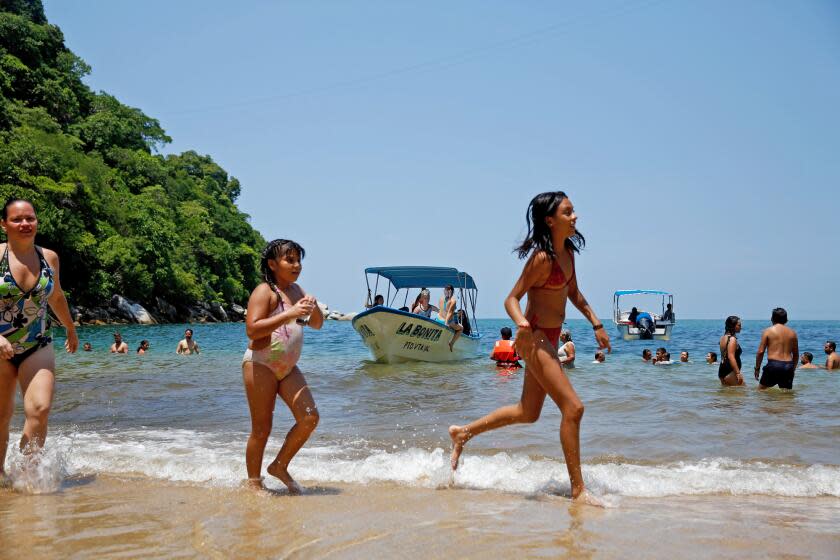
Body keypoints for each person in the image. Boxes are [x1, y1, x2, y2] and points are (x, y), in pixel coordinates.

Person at [448, 191, 610, 506]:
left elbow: (574, 293)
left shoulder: (568, 254)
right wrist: (521, 322)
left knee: (528, 412)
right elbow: (511, 297)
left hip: (549, 338)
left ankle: (463, 433)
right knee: (573, 409)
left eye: (573, 211)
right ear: (550, 220)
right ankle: (579, 491)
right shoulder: (542, 258)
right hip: (534, 338)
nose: (575, 216)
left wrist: (596, 323)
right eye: (568, 212)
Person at [0, 198, 78, 483]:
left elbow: (56, 296)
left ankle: (27, 476)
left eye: (30, 218)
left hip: (38, 343)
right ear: (4, 224)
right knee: (1, 417)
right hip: (0, 347)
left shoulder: (49, 257)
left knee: (40, 409)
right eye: (17, 219)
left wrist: (70, 328)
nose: (25, 224)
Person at [242, 239, 323, 493]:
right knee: (262, 428)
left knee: (309, 417)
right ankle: (254, 483)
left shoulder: (297, 291)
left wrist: (314, 307)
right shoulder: (265, 291)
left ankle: (279, 465)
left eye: (299, 260)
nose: (296, 265)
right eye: (290, 260)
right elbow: (252, 330)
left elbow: (317, 324)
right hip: (261, 364)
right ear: (272, 264)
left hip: (287, 368)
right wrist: (289, 314)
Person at [754, 308, 798, 390]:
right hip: (788, 366)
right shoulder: (793, 333)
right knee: (786, 396)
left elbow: (760, 352)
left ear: (772, 318)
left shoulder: (767, 331)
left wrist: (757, 368)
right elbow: (796, 354)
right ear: (786, 320)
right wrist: (793, 369)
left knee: (760, 392)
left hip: (774, 365)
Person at [718, 316, 744, 386]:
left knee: (728, 395)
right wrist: (738, 373)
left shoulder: (723, 338)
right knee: (743, 393)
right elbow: (731, 356)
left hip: (722, 370)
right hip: (730, 372)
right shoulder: (732, 339)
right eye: (739, 325)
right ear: (732, 326)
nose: (741, 327)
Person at [436, 285, 463, 351]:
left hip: (438, 319)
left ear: (444, 291)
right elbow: (449, 313)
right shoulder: (453, 301)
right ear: (452, 291)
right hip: (446, 321)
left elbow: (442, 310)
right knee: (461, 328)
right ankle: (451, 343)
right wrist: (446, 324)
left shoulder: (441, 298)